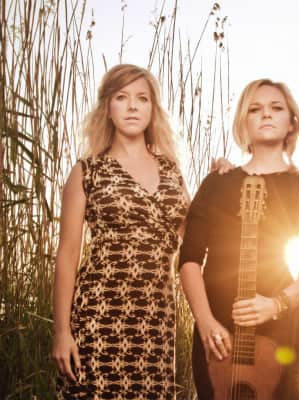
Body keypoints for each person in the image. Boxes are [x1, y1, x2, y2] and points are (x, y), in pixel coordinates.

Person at [179, 78, 299, 400]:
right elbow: (190, 260)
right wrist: (205, 322)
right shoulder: (216, 183)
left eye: (276, 107)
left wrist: (277, 303)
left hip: (284, 331)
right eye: (255, 109)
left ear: (292, 122)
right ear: (243, 123)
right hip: (218, 334)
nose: (266, 114)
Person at [52, 64, 189, 399]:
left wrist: (222, 179)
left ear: (153, 109)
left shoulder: (172, 172)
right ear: (107, 108)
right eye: (122, 97)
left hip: (156, 319)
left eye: (142, 99)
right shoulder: (87, 171)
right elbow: (67, 255)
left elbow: (196, 239)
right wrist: (61, 332)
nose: (132, 106)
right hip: (100, 315)